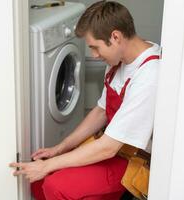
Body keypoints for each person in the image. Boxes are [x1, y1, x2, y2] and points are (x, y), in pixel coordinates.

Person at [10, 1, 161, 199]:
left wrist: (48, 165)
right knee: (38, 179)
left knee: (56, 185)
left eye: (95, 47)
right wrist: (60, 148)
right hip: (114, 146)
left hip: (134, 160)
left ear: (115, 37)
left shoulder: (149, 75)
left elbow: (108, 147)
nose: (94, 55)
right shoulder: (120, 58)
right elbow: (100, 111)